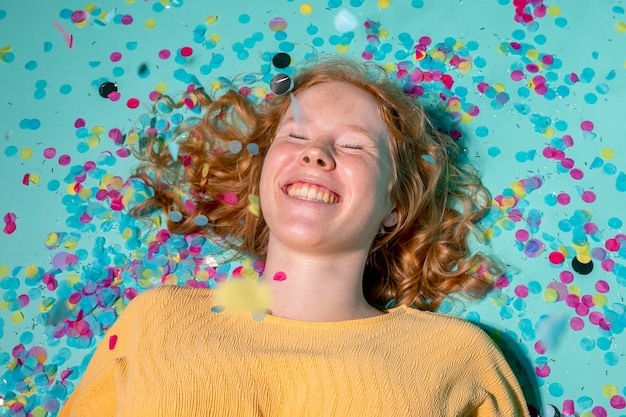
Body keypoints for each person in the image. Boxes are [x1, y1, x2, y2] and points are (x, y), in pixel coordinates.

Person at [58, 56, 530, 416]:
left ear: (393, 209)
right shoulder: (155, 322)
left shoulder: (459, 358)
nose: (317, 154)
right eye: (296, 137)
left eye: (352, 145)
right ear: (262, 176)